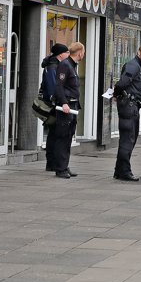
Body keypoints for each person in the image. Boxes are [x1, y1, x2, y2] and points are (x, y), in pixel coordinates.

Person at [112, 43, 141, 182]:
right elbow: (122, 83)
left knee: (130, 138)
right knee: (128, 139)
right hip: (128, 106)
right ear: (138, 52)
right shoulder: (133, 65)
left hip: (133, 105)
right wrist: (116, 95)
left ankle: (119, 171)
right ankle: (125, 172)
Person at [52, 42, 84, 179]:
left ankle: (64, 166)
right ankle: (60, 169)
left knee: (68, 137)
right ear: (80, 52)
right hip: (66, 107)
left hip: (72, 106)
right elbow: (59, 86)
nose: (84, 54)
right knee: (62, 137)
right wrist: (64, 103)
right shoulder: (65, 65)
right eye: (83, 52)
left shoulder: (71, 65)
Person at [40, 43, 69, 172]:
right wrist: (59, 102)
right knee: (54, 134)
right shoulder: (52, 67)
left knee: (53, 133)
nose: (68, 55)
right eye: (67, 52)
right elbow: (53, 87)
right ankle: (51, 162)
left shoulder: (55, 65)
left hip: (55, 104)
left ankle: (52, 162)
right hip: (53, 105)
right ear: (61, 54)